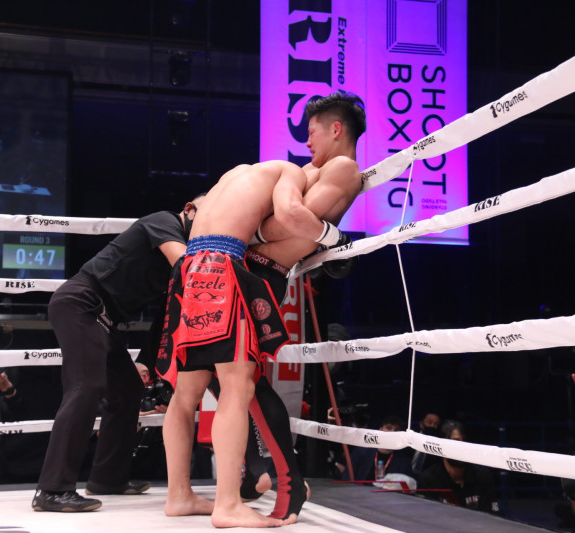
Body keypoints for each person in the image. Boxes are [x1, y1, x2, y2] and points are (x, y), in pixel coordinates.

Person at [157, 158, 357, 527]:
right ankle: (228, 505)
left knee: (185, 395)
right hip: (222, 267)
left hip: (187, 268)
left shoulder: (233, 175)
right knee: (238, 387)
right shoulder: (288, 172)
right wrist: (336, 238)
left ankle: (179, 496)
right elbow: (292, 213)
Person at [232, 90, 368, 520]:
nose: (306, 141)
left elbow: (289, 221)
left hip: (262, 271)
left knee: (236, 374)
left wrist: (254, 229)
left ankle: (279, 473)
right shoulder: (314, 169)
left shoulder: (342, 167)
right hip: (252, 268)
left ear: (336, 129)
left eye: (312, 132)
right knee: (223, 372)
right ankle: (261, 467)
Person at [31, 194, 203, 512]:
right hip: (81, 302)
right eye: (210, 212)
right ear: (189, 209)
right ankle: (52, 490)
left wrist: (145, 361)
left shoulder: (184, 255)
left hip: (105, 319)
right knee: (86, 386)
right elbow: (187, 266)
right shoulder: (164, 221)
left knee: (127, 389)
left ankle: (107, 478)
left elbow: (166, 317)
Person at [416, 420, 499, 514]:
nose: (461, 447)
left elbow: (492, 515)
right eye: (455, 442)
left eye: (464, 442)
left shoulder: (482, 475)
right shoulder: (428, 480)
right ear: (441, 446)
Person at [341, 416, 415, 487]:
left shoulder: (404, 461)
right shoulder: (362, 452)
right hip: (358, 493)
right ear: (380, 429)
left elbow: (408, 487)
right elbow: (347, 478)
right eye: (389, 428)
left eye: (396, 430)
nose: (392, 432)